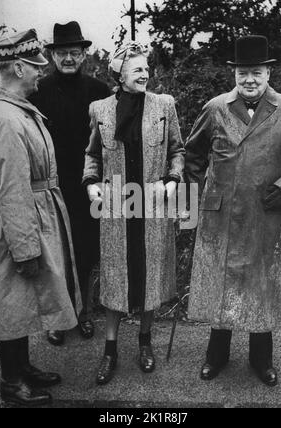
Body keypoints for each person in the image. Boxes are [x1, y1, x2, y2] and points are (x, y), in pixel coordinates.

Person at [186, 35, 281, 387]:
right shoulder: (215, 107)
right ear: (233, 74)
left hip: (267, 214)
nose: (250, 80)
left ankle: (261, 359)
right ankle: (215, 355)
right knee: (222, 281)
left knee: (260, 285)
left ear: (268, 74)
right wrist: (191, 206)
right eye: (243, 73)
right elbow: (192, 156)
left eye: (257, 73)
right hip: (220, 216)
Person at [83, 41, 185, 385]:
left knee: (150, 275)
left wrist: (173, 179)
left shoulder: (163, 106)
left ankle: (145, 342)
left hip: (153, 205)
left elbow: (177, 151)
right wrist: (91, 182)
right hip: (115, 208)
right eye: (137, 69)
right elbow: (92, 155)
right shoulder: (100, 109)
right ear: (120, 75)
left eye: (146, 68)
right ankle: (109, 349)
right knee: (116, 276)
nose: (145, 74)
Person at [0, 29, 81, 406]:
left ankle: (23, 367)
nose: (40, 73)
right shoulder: (7, 120)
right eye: (34, 66)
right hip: (21, 222)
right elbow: (11, 188)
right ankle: (12, 383)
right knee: (13, 302)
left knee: (25, 300)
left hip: (36, 214)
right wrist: (25, 248)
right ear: (16, 67)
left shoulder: (17, 111)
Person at [30, 21, 111, 346]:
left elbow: (109, 141)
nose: (68, 58)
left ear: (84, 54)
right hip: (50, 186)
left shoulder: (99, 91)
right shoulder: (39, 91)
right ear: (52, 56)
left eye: (73, 52)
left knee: (87, 250)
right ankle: (57, 319)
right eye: (62, 52)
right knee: (55, 252)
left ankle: (84, 312)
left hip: (89, 185)